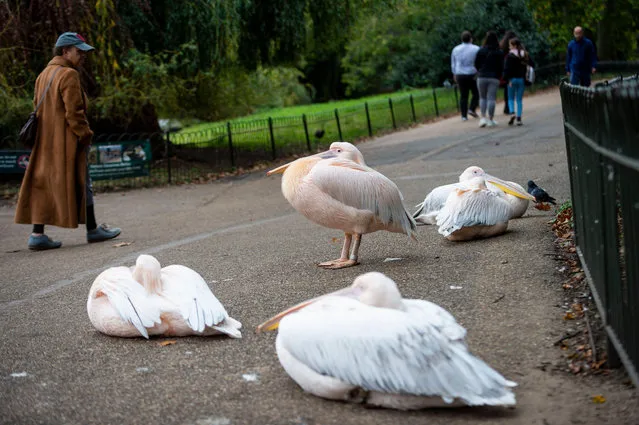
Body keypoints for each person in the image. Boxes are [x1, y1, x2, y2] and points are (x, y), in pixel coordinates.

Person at [14, 32, 121, 250]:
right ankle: (92, 230)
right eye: (79, 51)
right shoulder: (69, 75)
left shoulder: (43, 74)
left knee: (42, 184)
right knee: (85, 181)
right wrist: (85, 135)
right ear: (65, 51)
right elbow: (75, 113)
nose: (83, 56)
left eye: (84, 52)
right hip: (66, 143)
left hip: (45, 142)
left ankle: (37, 234)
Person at [474, 31, 503, 128]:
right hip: (494, 77)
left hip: (482, 76)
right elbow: (501, 66)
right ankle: (490, 119)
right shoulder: (499, 52)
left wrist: (480, 71)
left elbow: (476, 63)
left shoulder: (481, 50)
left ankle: (483, 118)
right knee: (491, 98)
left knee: (482, 97)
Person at [503, 38, 534, 126]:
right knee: (519, 100)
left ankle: (512, 112)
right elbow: (532, 64)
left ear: (514, 46)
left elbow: (506, 69)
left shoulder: (509, 56)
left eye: (510, 45)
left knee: (510, 98)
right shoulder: (525, 55)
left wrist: (507, 79)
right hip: (521, 79)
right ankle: (519, 118)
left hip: (511, 80)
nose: (509, 47)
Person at [451, 30, 480, 121]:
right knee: (476, 93)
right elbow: (478, 61)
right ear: (471, 39)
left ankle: (464, 115)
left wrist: (454, 73)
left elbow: (453, 63)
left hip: (460, 74)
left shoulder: (456, 49)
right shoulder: (476, 48)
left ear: (461, 39)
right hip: (472, 73)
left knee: (463, 95)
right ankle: (472, 108)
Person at [499, 30, 517, 115]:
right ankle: (509, 107)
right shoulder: (514, 45)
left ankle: (507, 106)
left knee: (507, 89)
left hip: (504, 70)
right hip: (513, 70)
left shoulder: (502, 46)